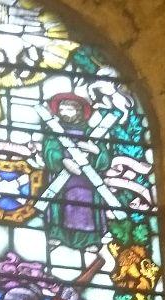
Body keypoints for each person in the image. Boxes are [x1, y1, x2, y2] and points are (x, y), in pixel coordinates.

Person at [42, 93, 112, 267]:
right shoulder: (54, 131)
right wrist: (62, 160)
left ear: (79, 111)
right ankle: (58, 236)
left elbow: (104, 158)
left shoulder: (91, 133)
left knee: (87, 209)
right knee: (62, 206)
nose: (64, 111)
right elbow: (49, 150)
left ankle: (89, 241)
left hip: (87, 181)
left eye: (69, 108)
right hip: (63, 180)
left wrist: (95, 151)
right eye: (62, 108)